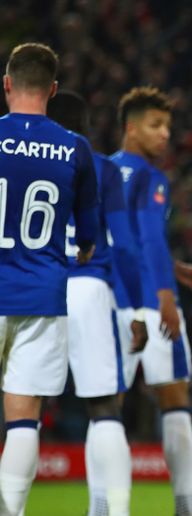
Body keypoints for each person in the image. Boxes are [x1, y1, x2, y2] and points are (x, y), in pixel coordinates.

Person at [0, 43, 99, 516]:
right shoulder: (74, 148)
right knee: (23, 422)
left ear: (6, 84)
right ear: (53, 89)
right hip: (40, 296)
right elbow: (89, 241)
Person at [109, 86, 192, 516]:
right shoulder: (152, 178)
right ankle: (185, 508)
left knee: (106, 407)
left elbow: (123, 242)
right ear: (130, 128)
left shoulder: (99, 172)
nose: (164, 134)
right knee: (173, 399)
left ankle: (105, 506)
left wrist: (177, 268)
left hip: (108, 301)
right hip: (151, 304)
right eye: (155, 125)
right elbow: (148, 239)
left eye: (168, 126)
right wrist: (167, 296)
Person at [48, 90, 147, 516]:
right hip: (89, 287)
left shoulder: (19, 161)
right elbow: (124, 246)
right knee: (103, 405)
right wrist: (137, 310)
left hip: (31, 287)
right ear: (87, 126)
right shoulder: (104, 169)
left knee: (22, 409)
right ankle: (115, 511)